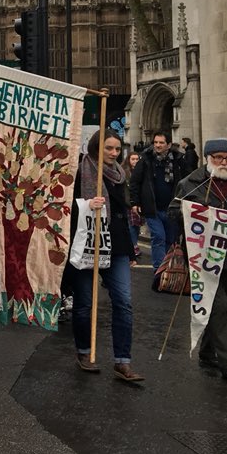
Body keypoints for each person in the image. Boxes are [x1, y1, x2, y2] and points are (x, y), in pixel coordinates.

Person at [72, 130, 144, 382]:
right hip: (88, 245)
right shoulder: (80, 171)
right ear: (96, 147)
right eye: (109, 148)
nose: (114, 153)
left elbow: (122, 212)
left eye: (117, 149)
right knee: (85, 305)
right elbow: (65, 206)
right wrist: (85, 205)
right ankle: (84, 351)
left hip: (117, 246)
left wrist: (131, 249)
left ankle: (123, 361)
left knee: (123, 302)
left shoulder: (120, 175)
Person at [169, 137, 227, 382]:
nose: (223, 162)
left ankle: (208, 352)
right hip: (203, 260)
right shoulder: (191, 184)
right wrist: (197, 214)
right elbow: (173, 212)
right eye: (218, 157)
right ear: (208, 159)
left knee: (226, 307)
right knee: (221, 308)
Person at [130, 131, 186, 276]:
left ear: (168, 144)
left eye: (161, 143)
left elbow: (186, 181)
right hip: (152, 207)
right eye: (155, 142)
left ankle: (167, 268)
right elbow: (135, 181)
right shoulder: (146, 159)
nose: (158, 145)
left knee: (170, 239)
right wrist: (135, 202)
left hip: (172, 208)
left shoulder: (178, 160)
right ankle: (159, 271)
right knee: (158, 237)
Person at [122, 151, 143, 261]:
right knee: (132, 226)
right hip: (129, 204)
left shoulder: (142, 171)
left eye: (137, 159)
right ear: (128, 160)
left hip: (139, 203)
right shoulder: (125, 172)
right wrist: (129, 202)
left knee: (136, 226)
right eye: (133, 159)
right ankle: (133, 246)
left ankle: (133, 244)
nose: (135, 161)